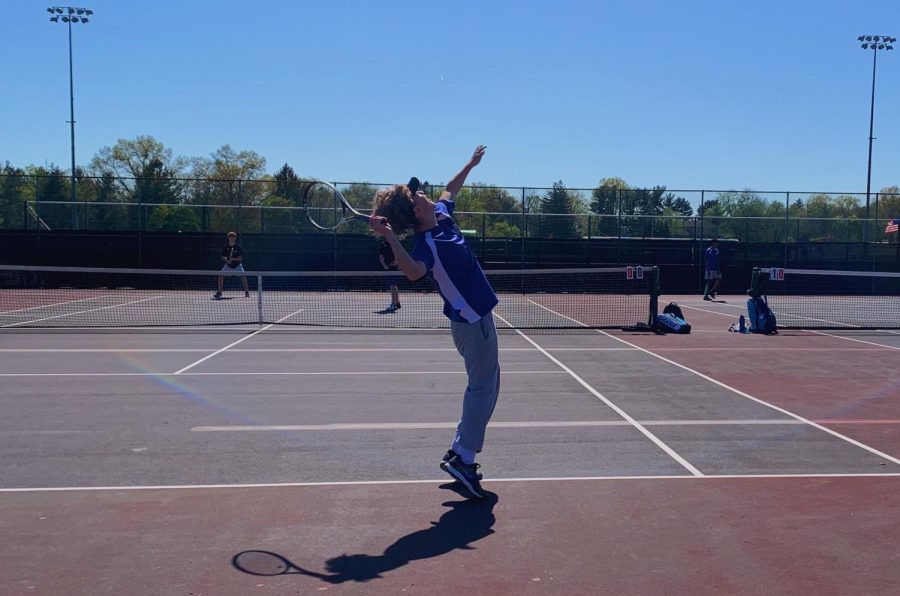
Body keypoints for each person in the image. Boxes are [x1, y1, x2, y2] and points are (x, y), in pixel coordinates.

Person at [369, 145, 497, 500]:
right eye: (418, 193)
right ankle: (465, 459)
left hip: (472, 320)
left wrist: (470, 165)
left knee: (484, 385)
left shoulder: (440, 215)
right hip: (473, 322)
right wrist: (391, 236)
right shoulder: (426, 245)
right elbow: (412, 273)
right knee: (484, 388)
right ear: (415, 210)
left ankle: (460, 450)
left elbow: (450, 190)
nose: (425, 191)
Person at [214, 231, 250, 299]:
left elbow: (240, 258)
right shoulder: (225, 247)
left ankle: (246, 292)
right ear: (228, 238)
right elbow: (223, 257)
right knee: (220, 275)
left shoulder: (238, 247)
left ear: (235, 238)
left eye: (233, 237)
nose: (231, 238)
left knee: (243, 276)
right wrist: (226, 260)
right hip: (228, 265)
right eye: (230, 237)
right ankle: (219, 292)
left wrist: (233, 259)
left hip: (237, 266)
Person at [377, 238, 402, 313]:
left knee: (393, 286)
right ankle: (397, 303)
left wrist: (396, 261)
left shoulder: (395, 243)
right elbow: (381, 257)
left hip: (394, 268)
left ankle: (393, 304)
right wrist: (384, 265)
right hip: (387, 268)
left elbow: (399, 254)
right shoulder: (382, 244)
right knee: (393, 286)